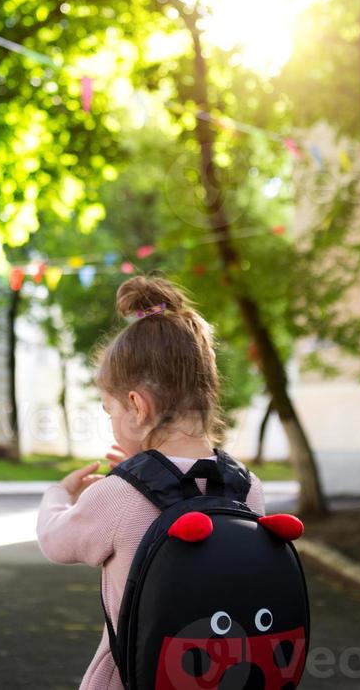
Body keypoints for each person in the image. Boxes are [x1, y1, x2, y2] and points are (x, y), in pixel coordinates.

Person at [35, 273, 267, 690]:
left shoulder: (118, 494)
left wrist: (60, 493)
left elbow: (55, 540)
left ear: (137, 406)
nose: (111, 423)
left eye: (110, 412)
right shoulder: (246, 486)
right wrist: (146, 468)